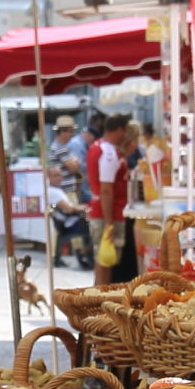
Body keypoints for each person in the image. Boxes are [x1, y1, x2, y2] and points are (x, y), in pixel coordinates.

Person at [86, 113, 133, 286]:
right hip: (108, 212)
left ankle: (99, 297)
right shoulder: (108, 153)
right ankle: (100, 299)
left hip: (100, 210)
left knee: (103, 259)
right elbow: (106, 189)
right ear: (120, 129)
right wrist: (109, 223)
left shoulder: (96, 147)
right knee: (105, 261)